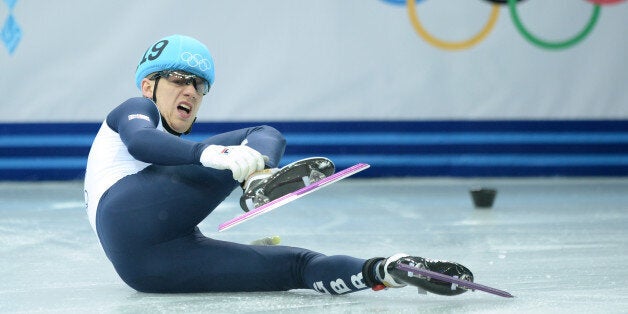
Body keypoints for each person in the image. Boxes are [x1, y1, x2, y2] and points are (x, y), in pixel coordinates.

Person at [84, 34, 473, 295]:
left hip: (145, 269)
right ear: (147, 86)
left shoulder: (165, 165)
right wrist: (210, 154)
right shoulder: (135, 109)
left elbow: (161, 197)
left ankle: (388, 270)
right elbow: (142, 143)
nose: (190, 90)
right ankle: (258, 183)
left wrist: (382, 271)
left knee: (297, 265)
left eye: (200, 86)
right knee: (259, 133)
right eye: (178, 79)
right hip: (123, 214)